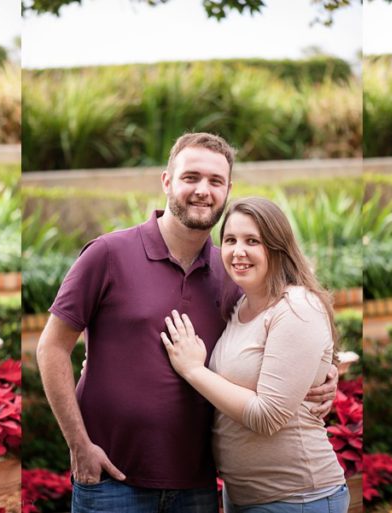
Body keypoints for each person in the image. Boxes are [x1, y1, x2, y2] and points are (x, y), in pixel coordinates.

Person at [36, 133, 337, 513]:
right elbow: (51, 348)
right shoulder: (108, 254)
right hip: (113, 481)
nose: (202, 191)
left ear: (228, 189)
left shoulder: (233, 274)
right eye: (190, 177)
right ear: (166, 181)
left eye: (215, 181)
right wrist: (79, 445)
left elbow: (288, 332)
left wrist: (326, 373)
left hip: (197, 485)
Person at [160, 197, 348, 513]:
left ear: (277, 247)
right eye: (230, 240)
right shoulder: (240, 307)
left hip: (298, 498)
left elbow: (268, 416)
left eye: (253, 241)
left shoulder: (296, 307)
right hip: (245, 498)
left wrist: (193, 370)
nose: (238, 251)